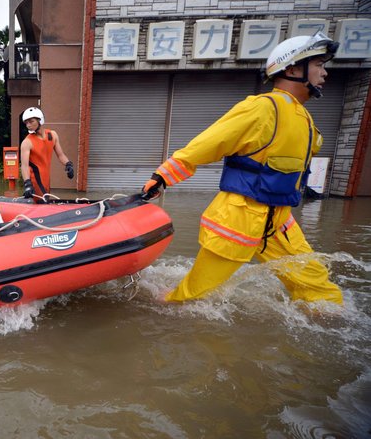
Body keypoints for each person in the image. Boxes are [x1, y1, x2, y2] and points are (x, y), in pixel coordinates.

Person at [141, 31, 342, 305]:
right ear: (293, 68)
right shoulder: (262, 108)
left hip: (279, 219)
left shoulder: (303, 117)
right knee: (192, 297)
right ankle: (157, 312)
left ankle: (328, 320)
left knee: (318, 287)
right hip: (240, 216)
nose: (324, 73)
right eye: (319, 65)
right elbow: (208, 143)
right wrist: (163, 176)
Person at [20, 107, 74, 202]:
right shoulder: (27, 142)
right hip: (34, 180)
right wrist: (27, 184)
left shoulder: (52, 135)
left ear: (40, 120)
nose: (28, 125)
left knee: (46, 202)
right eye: (26, 123)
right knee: (42, 204)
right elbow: (24, 166)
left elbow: (61, 155)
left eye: (31, 121)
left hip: (46, 179)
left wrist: (68, 164)